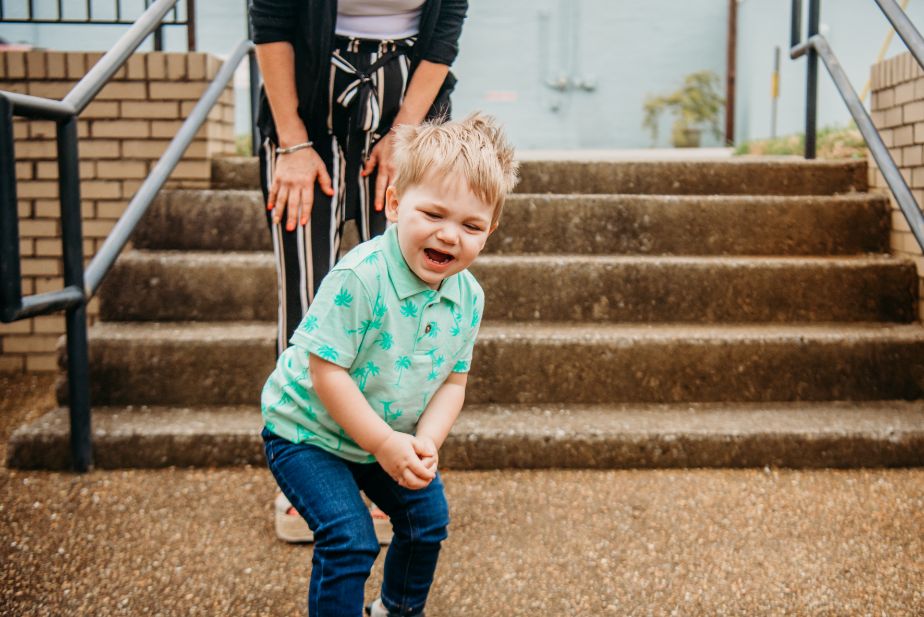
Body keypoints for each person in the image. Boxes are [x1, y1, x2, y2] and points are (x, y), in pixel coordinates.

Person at [260, 113, 518, 617]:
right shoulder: (362, 277)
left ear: (489, 232)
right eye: (434, 214)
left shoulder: (468, 297)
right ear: (396, 204)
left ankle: (396, 610)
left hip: (386, 436)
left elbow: (454, 382)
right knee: (350, 538)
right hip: (306, 432)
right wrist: (382, 443)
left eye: (470, 225)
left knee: (427, 523)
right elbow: (325, 371)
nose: (449, 236)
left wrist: (426, 443)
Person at [250, 0, 469, 544]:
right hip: (304, 106)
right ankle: (308, 471)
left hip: (409, 105)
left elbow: (445, 30)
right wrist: (292, 142)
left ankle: (389, 463)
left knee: (403, 302)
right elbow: (271, 19)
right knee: (309, 301)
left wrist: (406, 134)